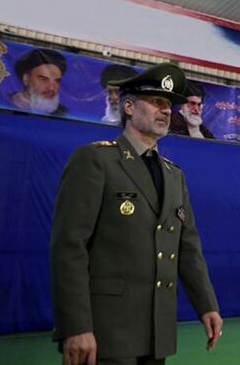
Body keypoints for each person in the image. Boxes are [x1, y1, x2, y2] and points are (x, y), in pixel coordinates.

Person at [50, 63, 222, 365]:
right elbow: (69, 248)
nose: (166, 111)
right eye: (157, 102)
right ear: (128, 106)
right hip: (105, 332)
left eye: (168, 105)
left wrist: (206, 305)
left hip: (157, 332)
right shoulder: (95, 159)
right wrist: (76, 326)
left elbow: (187, 247)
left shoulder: (174, 175)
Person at [8, 47, 68, 115]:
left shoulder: (63, 113)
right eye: (43, 79)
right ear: (26, 79)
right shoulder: (5, 102)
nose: (51, 87)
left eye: (57, 81)